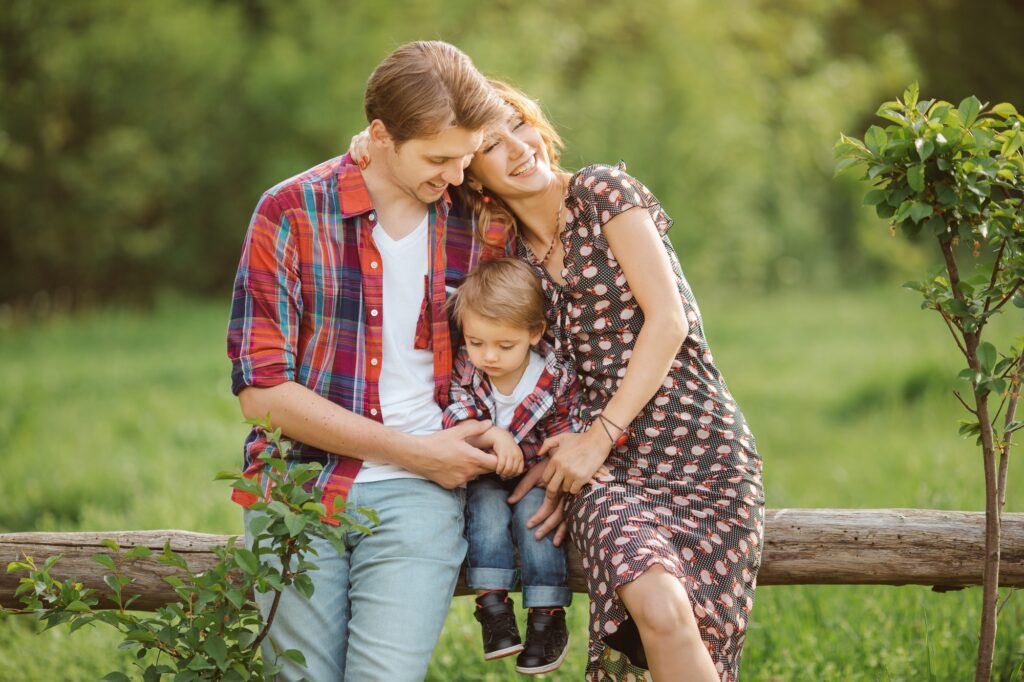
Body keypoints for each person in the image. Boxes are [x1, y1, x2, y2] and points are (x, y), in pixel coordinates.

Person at [458, 81, 765, 682]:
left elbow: (669, 320)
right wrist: (555, 452)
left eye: (519, 124)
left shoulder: (601, 191)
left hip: (700, 443)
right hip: (607, 470)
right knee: (658, 608)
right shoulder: (512, 262)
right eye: (493, 144)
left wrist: (599, 433)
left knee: (692, 628)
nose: (520, 147)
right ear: (473, 177)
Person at [225, 41, 512, 681]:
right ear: (379, 136)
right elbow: (262, 393)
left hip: (420, 500)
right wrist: (418, 451)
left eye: (466, 158)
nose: (457, 176)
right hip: (297, 487)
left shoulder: (482, 221)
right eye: (438, 159)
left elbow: (552, 195)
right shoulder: (289, 211)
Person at [441, 258, 577, 675]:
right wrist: (491, 434)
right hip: (484, 472)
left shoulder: (553, 376)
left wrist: (553, 461)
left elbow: (568, 429)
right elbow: (454, 414)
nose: (489, 356)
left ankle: (546, 616)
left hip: (536, 472)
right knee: (484, 514)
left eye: (504, 346)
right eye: (477, 342)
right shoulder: (467, 365)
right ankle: (493, 607)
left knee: (538, 524)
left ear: (535, 333)